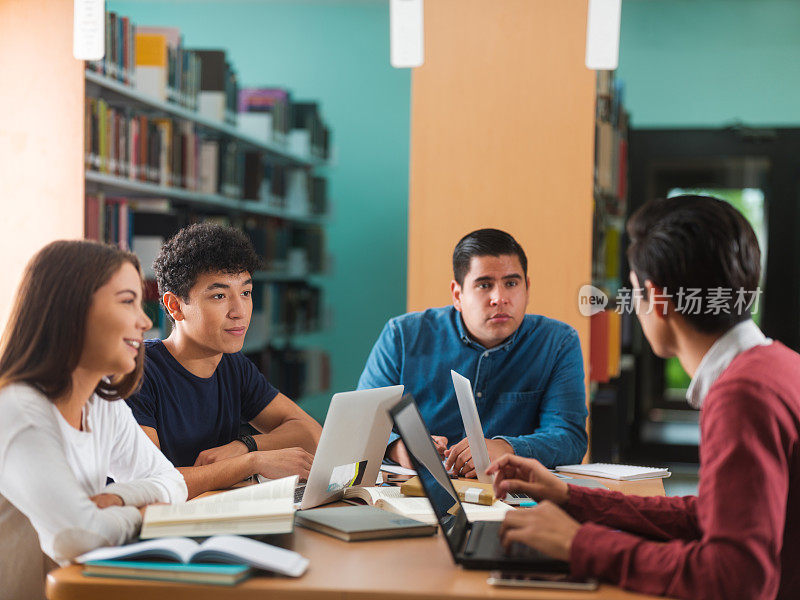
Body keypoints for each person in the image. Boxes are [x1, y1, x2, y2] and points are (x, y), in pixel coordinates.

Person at [489, 195, 800, 600]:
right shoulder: (777, 363)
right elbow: (708, 514)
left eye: (634, 294)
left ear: (658, 299)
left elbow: (734, 578)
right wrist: (569, 497)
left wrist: (579, 544)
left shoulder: (742, 395)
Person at [0, 241, 188, 599]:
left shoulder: (100, 400)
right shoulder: (16, 408)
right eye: (127, 300)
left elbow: (172, 482)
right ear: (71, 309)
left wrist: (117, 498)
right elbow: (75, 536)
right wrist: (143, 516)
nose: (145, 320)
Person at [358, 228, 587, 475]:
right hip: (418, 491)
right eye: (484, 285)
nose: (499, 298)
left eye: (511, 283)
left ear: (527, 288)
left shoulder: (558, 342)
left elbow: (569, 438)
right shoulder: (402, 336)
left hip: (512, 496)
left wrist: (507, 448)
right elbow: (361, 425)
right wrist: (399, 448)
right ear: (458, 294)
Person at [126, 223, 321, 499]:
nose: (239, 311)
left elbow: (310, 433)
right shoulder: (137, 370)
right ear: (175, 306)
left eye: (246, 293)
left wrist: (246, 445)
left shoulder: (233, 366)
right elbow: (152, 484)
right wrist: (250, 462)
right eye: (219, 296)